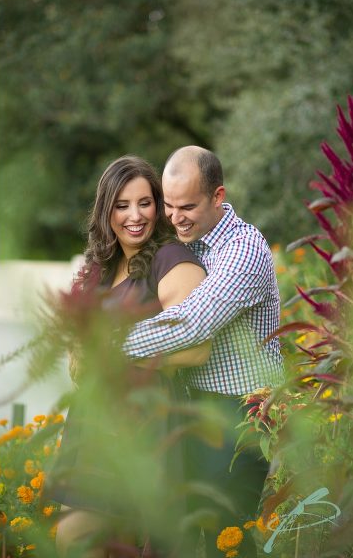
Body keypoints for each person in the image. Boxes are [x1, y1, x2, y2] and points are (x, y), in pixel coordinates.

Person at [123, 146, 284, 557]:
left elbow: (192, 322)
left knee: (225, 536)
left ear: (218, 197)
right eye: (169, 205)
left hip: (239, 413)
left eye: (188, 206)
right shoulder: (185, 240)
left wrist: (109, 343)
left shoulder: (243, 251)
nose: (175, 217)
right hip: (188, 405)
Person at [50, 156, 211, 558]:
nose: (134, 215)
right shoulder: (102, 267)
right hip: (95, 418)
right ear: (106, 211)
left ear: (158, 206)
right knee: (82, 541)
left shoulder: (171, 259)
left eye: (144, 202)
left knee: (87, 538)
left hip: (144, 419)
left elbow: (195, 347)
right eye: (122, 205)